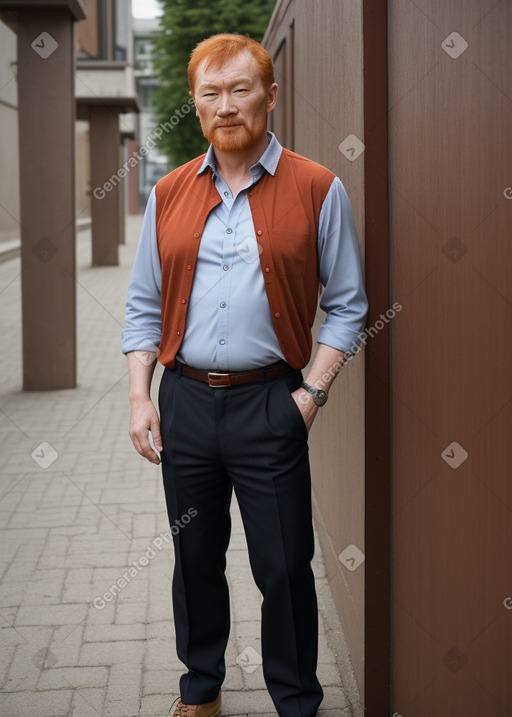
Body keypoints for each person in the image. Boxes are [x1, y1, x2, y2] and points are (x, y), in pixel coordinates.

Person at [122, 32, 367, 717]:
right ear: (196, 106)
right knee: (194, 557)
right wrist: (141, 396)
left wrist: (309, 396)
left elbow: (349, 306)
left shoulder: (319, 186)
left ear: (270, 95)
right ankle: (200, 690)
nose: (226, 105)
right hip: (186, 406)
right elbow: (143, 304)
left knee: (285, 565)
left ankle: (296, 700)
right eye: (211, 93)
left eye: (240, 89)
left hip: (271, 403)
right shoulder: (170, 193)